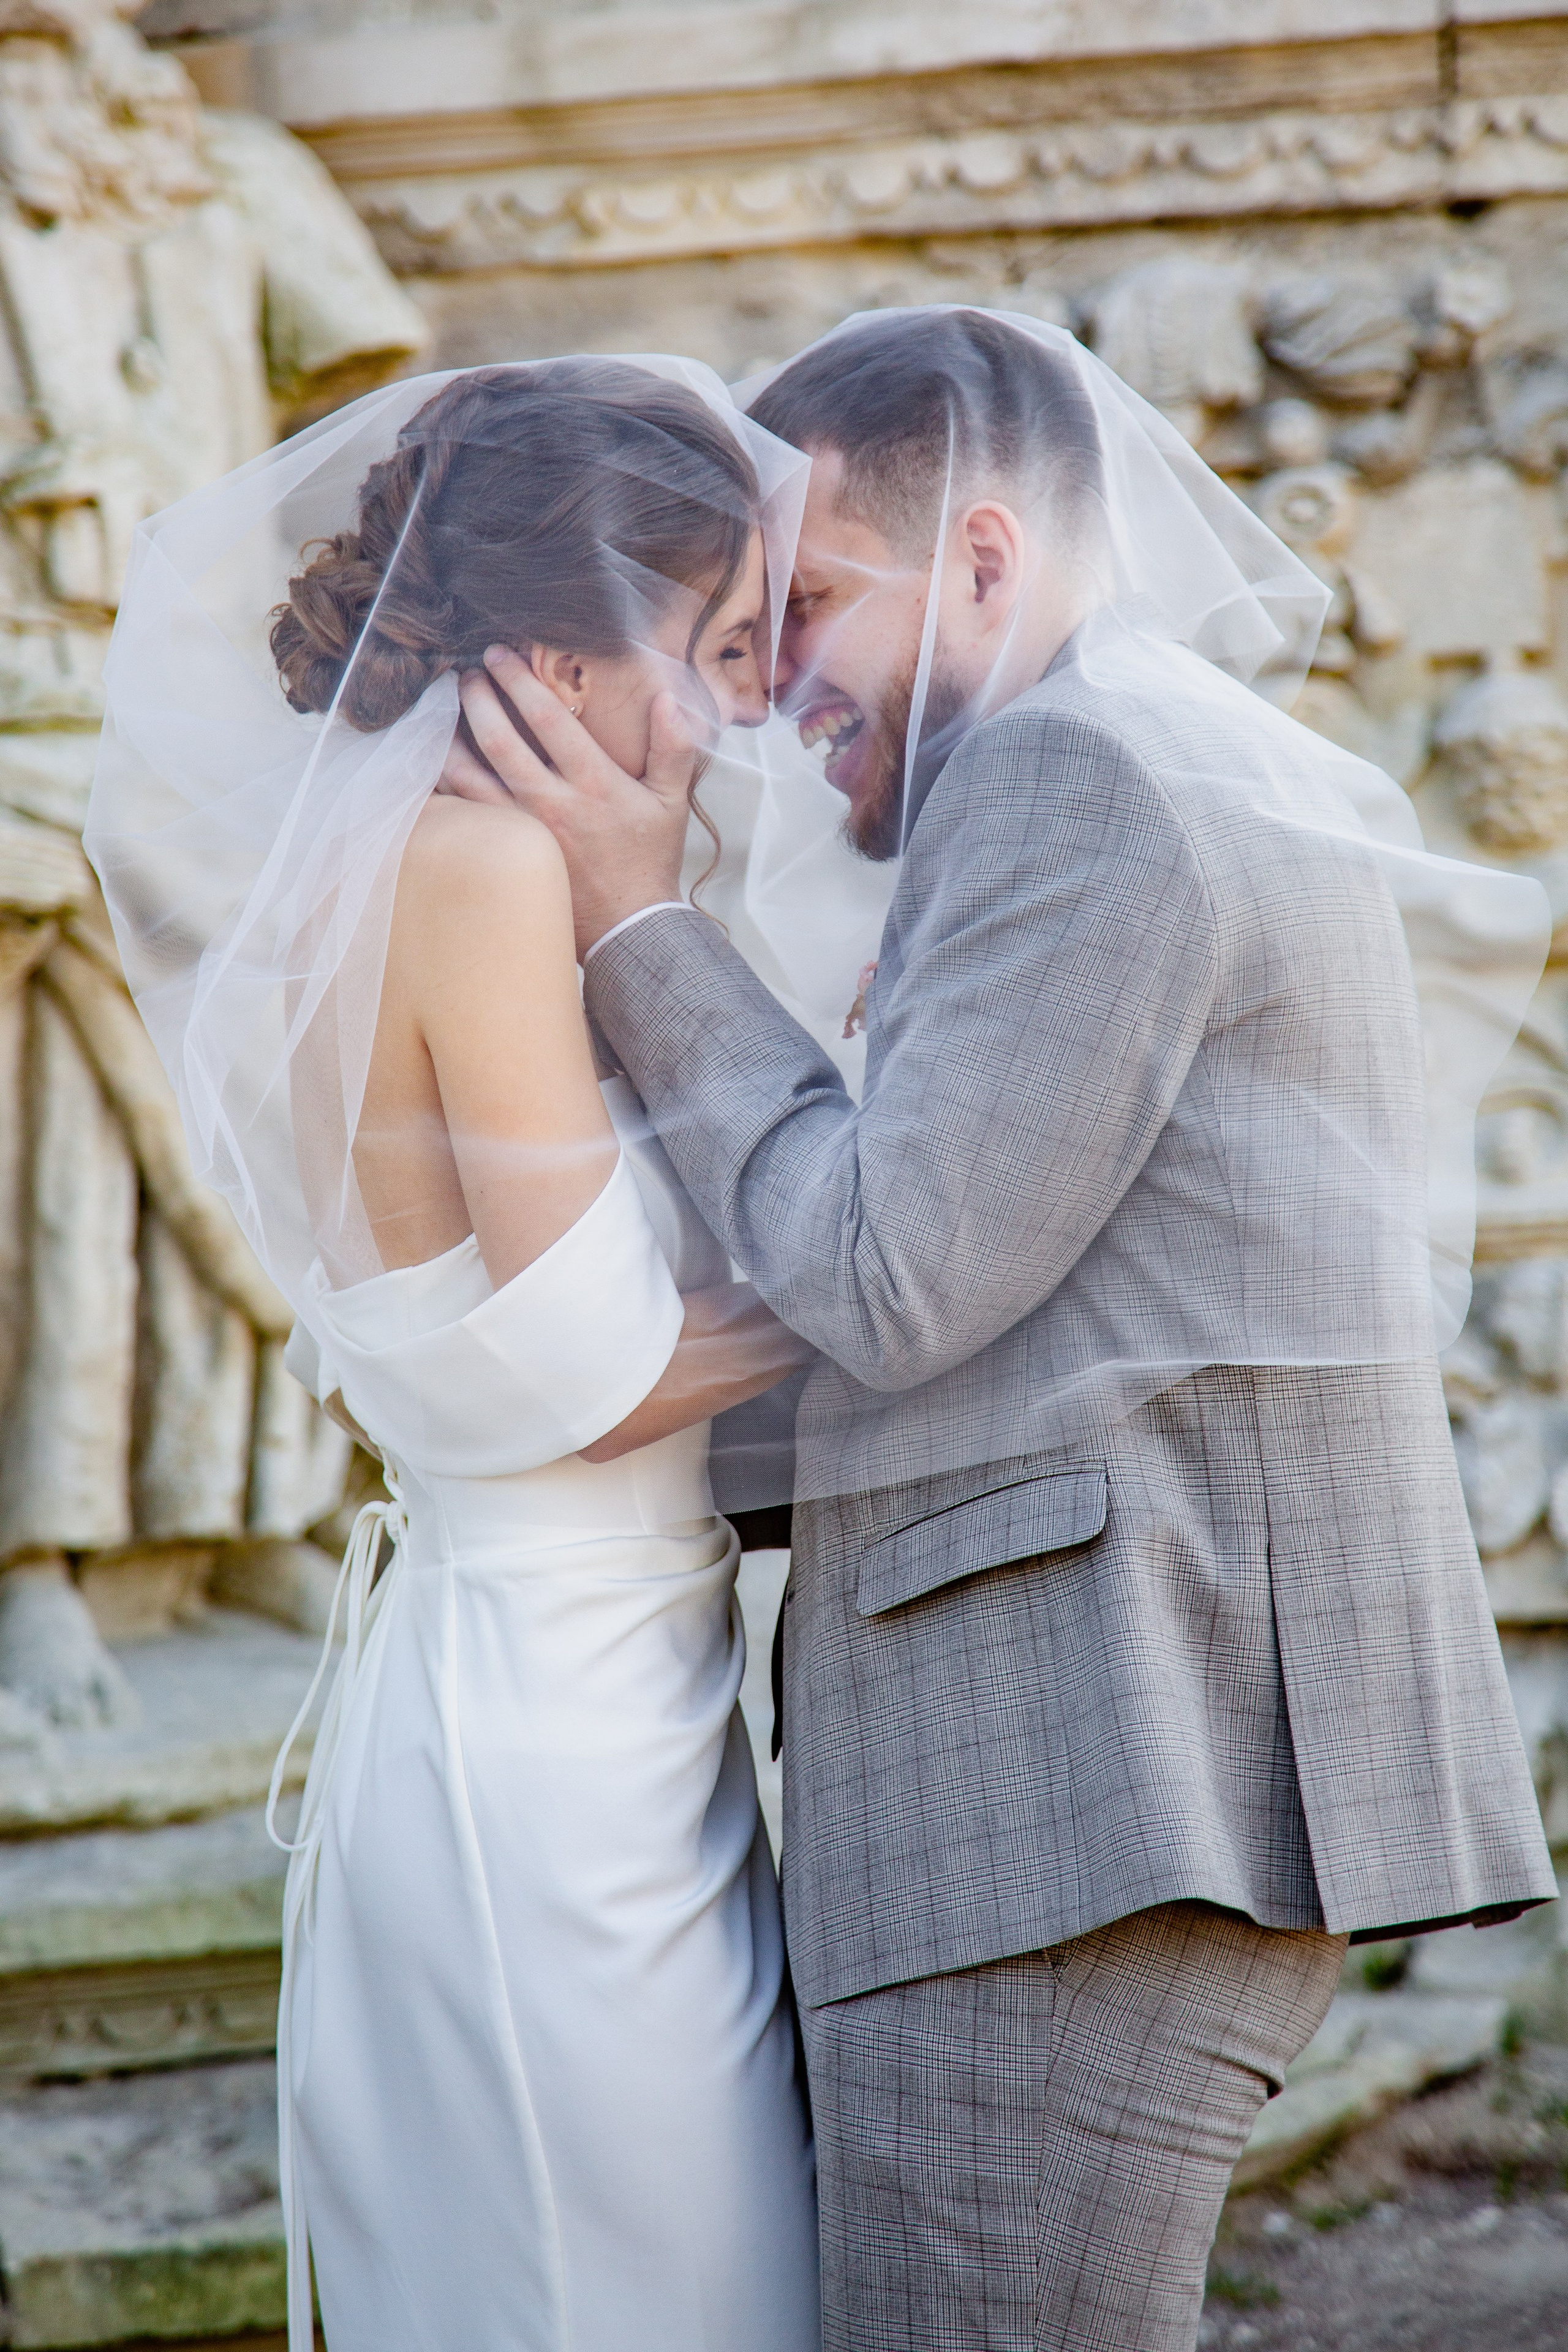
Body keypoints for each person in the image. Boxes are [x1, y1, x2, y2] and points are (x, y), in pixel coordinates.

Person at [443, 308, 1559, 2352]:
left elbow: (882, 1281)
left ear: (980, 557)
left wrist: (630, 913)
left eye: (817, 607)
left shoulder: (1078, 773)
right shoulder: (1137, 751)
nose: (773, 686)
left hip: (1072, 1792)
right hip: (1079, 1784)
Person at [85, 361, 821, 2352]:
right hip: (557, 1771)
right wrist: (920, 1258)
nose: (754, 706)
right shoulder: (485, 875)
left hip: (554, 1697)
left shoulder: (376, 867)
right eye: (725, 645)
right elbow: (597, 1372)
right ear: (560, 665)